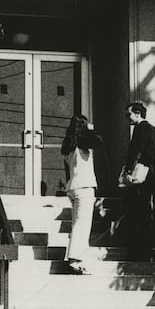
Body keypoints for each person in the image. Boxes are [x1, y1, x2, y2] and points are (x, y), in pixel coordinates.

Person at [121, 102, 155, 252]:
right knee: (147, 210)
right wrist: (151, 166)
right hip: (152, 175)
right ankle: (149, 244)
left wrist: (128, 171)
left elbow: (135, 151)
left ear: (138, 114)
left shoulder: (140, 129)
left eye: (129, 115)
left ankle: (138, 246)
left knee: (136, 209)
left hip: (139, 175)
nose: (128, 118)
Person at [61, 114, 104, 275]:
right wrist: (90, 130)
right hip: (85, 186)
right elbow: (99, 141)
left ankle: (75, 258)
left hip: (72, 186)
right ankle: (75, 259)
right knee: (83, 225)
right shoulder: (82, 140)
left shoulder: (68, 144)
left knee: (76, 223)